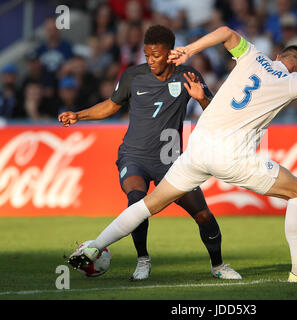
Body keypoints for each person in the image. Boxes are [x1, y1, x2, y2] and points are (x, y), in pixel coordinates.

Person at [68, 26, 297, 283]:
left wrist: (189, 48)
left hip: (196, 149)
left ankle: (94, 246)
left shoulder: (253, 56)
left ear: (278, 57)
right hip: (231, 156)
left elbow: (223, 31)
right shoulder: (294, 82)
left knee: (147, 204)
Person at [60, 25, 241, 281]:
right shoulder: (133, 76)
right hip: (134, 156)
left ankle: (218, 266)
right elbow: (111, 106)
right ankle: (143, 260)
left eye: (156, 55)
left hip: (171, 161)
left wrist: (201, 99)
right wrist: (78, 115)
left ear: (170, 53)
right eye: (147, 55)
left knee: (202, 214)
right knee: (136, 201)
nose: (151, 60)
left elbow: (214, 111)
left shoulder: (187, 74)